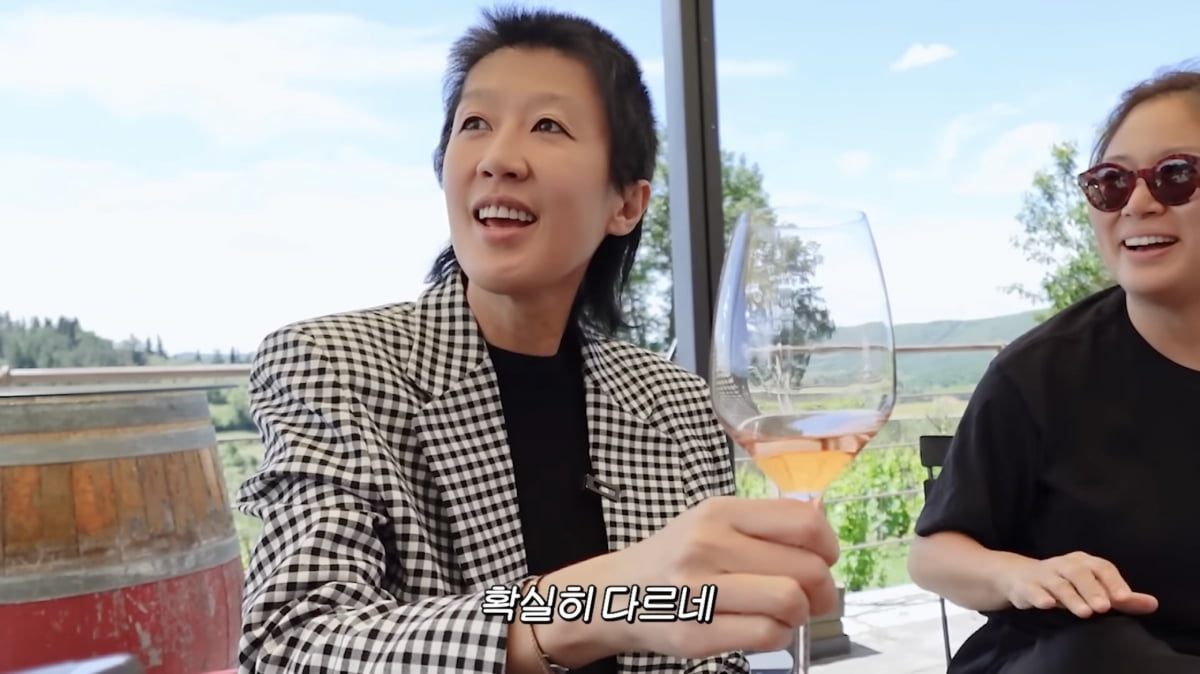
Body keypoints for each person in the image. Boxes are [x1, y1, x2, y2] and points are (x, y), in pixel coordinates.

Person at [234, 6, 841, 673]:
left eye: (548, 125)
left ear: (626, 204)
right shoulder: (332, 367)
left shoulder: (677, 404)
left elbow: (708, 651)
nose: (498, 159)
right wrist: (594, 603)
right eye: (475, 124)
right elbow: (291, 642)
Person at [908, 66, 1200, 674]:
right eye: (1111, 183)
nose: (1138, 203)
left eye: (1176, 175)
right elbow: (933, 554)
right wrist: (1020, 574)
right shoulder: (1038, 374)